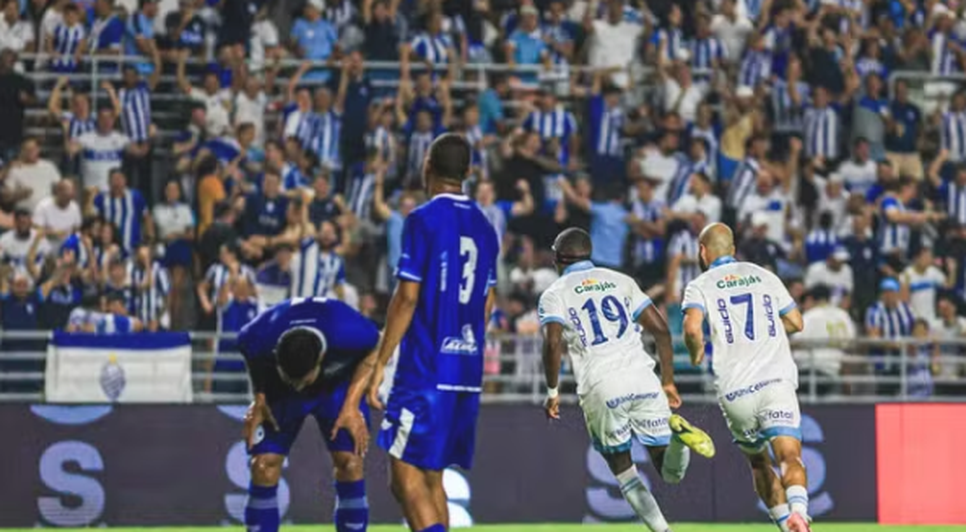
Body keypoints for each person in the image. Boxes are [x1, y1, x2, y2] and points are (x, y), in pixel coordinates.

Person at [538, 227, 715, 532]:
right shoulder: (621, 281)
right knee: (671, 473)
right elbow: (661, 330)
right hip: (642, 377)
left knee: (624, 472)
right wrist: (668, 381)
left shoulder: (554, 294)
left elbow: (552, 343)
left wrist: (552, 392)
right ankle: (677, 439)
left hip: (602, 384)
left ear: (558, 259)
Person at [364, 134, 499, 532]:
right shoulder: (484, 225)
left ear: (427, 167)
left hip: (425, 368)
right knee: (431, 476)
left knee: (404, 477)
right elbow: (487, 303)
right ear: (468, 172)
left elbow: (407, 297)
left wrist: (380, 363)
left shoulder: (422, 219)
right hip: (466, 369)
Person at [681, 222, 811, 532]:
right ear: (733, 249)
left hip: (736, 389)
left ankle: (785, 526)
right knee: (789, 456)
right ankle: (799, 513)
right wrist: (767, 332)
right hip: (776, 382)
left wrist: (697, 352)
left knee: (759, 462)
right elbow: (796, 322)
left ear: (703, 251)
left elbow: (692, 328)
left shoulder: (700, 285)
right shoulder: (764, 275)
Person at [238, 297, 380, 532]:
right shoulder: (260, 333)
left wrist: (351, 404)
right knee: (262, 465)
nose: (298, 387)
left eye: (303, 382)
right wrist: (260, 397)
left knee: (350, 463)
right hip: (280, 391)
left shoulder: (346, 329)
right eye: (291, 380)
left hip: (337, 387)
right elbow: (250, 352)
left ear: (321, 361)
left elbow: (376, 346)